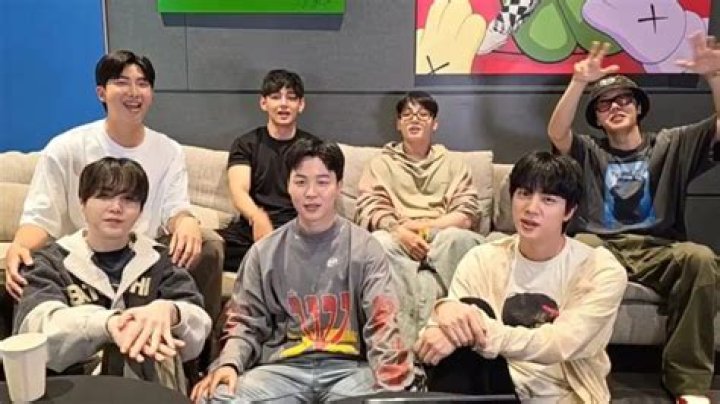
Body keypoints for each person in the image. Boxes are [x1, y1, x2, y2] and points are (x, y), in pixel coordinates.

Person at [2, 50, 222, 363]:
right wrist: (20, 246)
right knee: (23, 266)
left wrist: (186, 220)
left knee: (208, 245)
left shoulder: (168, 150)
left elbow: (175, 207)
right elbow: (41, 214)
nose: (134, 92)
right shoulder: (66, 147)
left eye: (142, 84)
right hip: (80, 255)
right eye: (122, 82)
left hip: (144, 253)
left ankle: (198, 363)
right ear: (101, 92)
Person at [547, 34, 720, 403]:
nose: (615, 106)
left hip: (659, 248)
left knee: (701, 259)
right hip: (602, 247)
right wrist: (578, 82)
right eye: (604, 103)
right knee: (581, 248)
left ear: (639, 108)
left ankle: (688, 385)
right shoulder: (589, 150)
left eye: (624, 99)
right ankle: (574, 370)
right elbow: (557, 133)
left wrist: (715, 78)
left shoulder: (672, 144)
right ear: (597, 118)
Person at [191, 139, 416, 403]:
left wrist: (391, 387)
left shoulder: (366, 248)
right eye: (300, 182)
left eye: (322, 182)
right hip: (282, 371)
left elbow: (382, 323)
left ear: (339, 186)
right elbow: (245, 321)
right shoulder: (264, 252)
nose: (311, 193)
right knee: (216, 397)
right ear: (288, 185)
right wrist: (229, 364)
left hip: (350, 371)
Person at [415, 151, 627, 402]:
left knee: (467, 317)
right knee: (467, 310)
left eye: (548, 199)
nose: (531, 208)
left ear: (569, 211)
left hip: (562, 395)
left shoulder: (599, 268)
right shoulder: (482, 258)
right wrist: (445, 312)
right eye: (524, 194)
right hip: (497, 387)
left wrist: (478, 333)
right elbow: (447, 329)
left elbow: (562, 342)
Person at [14, 157, 212, 392]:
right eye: (104, 196)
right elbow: (34, 328)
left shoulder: (161, 260)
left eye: (129, 199)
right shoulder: (50, 262)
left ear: (140, 210)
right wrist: (108, 323)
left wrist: (172, 312)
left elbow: (200, 328)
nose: (116, 207)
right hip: (74, 385)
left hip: (148, 384)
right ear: (82, 203)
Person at [354, 91, 484, 347]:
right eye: (407, 115)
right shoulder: (381, 164)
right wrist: (399, 231)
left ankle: (440, 337)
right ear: (398, 123)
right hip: (397, 236)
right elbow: (370, 208)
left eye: (423, 115)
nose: (414, 119)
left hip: (442, 236)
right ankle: (401, 345)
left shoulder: (454, 163)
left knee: (458, 238)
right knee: (378, 242)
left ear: (435, 124)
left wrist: (421, 227)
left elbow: (466, 213)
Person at [218, 69, 319, 273]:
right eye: (275, 97)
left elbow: (318, 195)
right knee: (207, 249)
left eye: (291, 98)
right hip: (252, 229)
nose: (283, 104)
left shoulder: (313, 147)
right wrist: (257, 217)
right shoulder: (246, 144)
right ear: (263, 103)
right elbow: (238, 190)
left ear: (301, 105)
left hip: (296, 229)